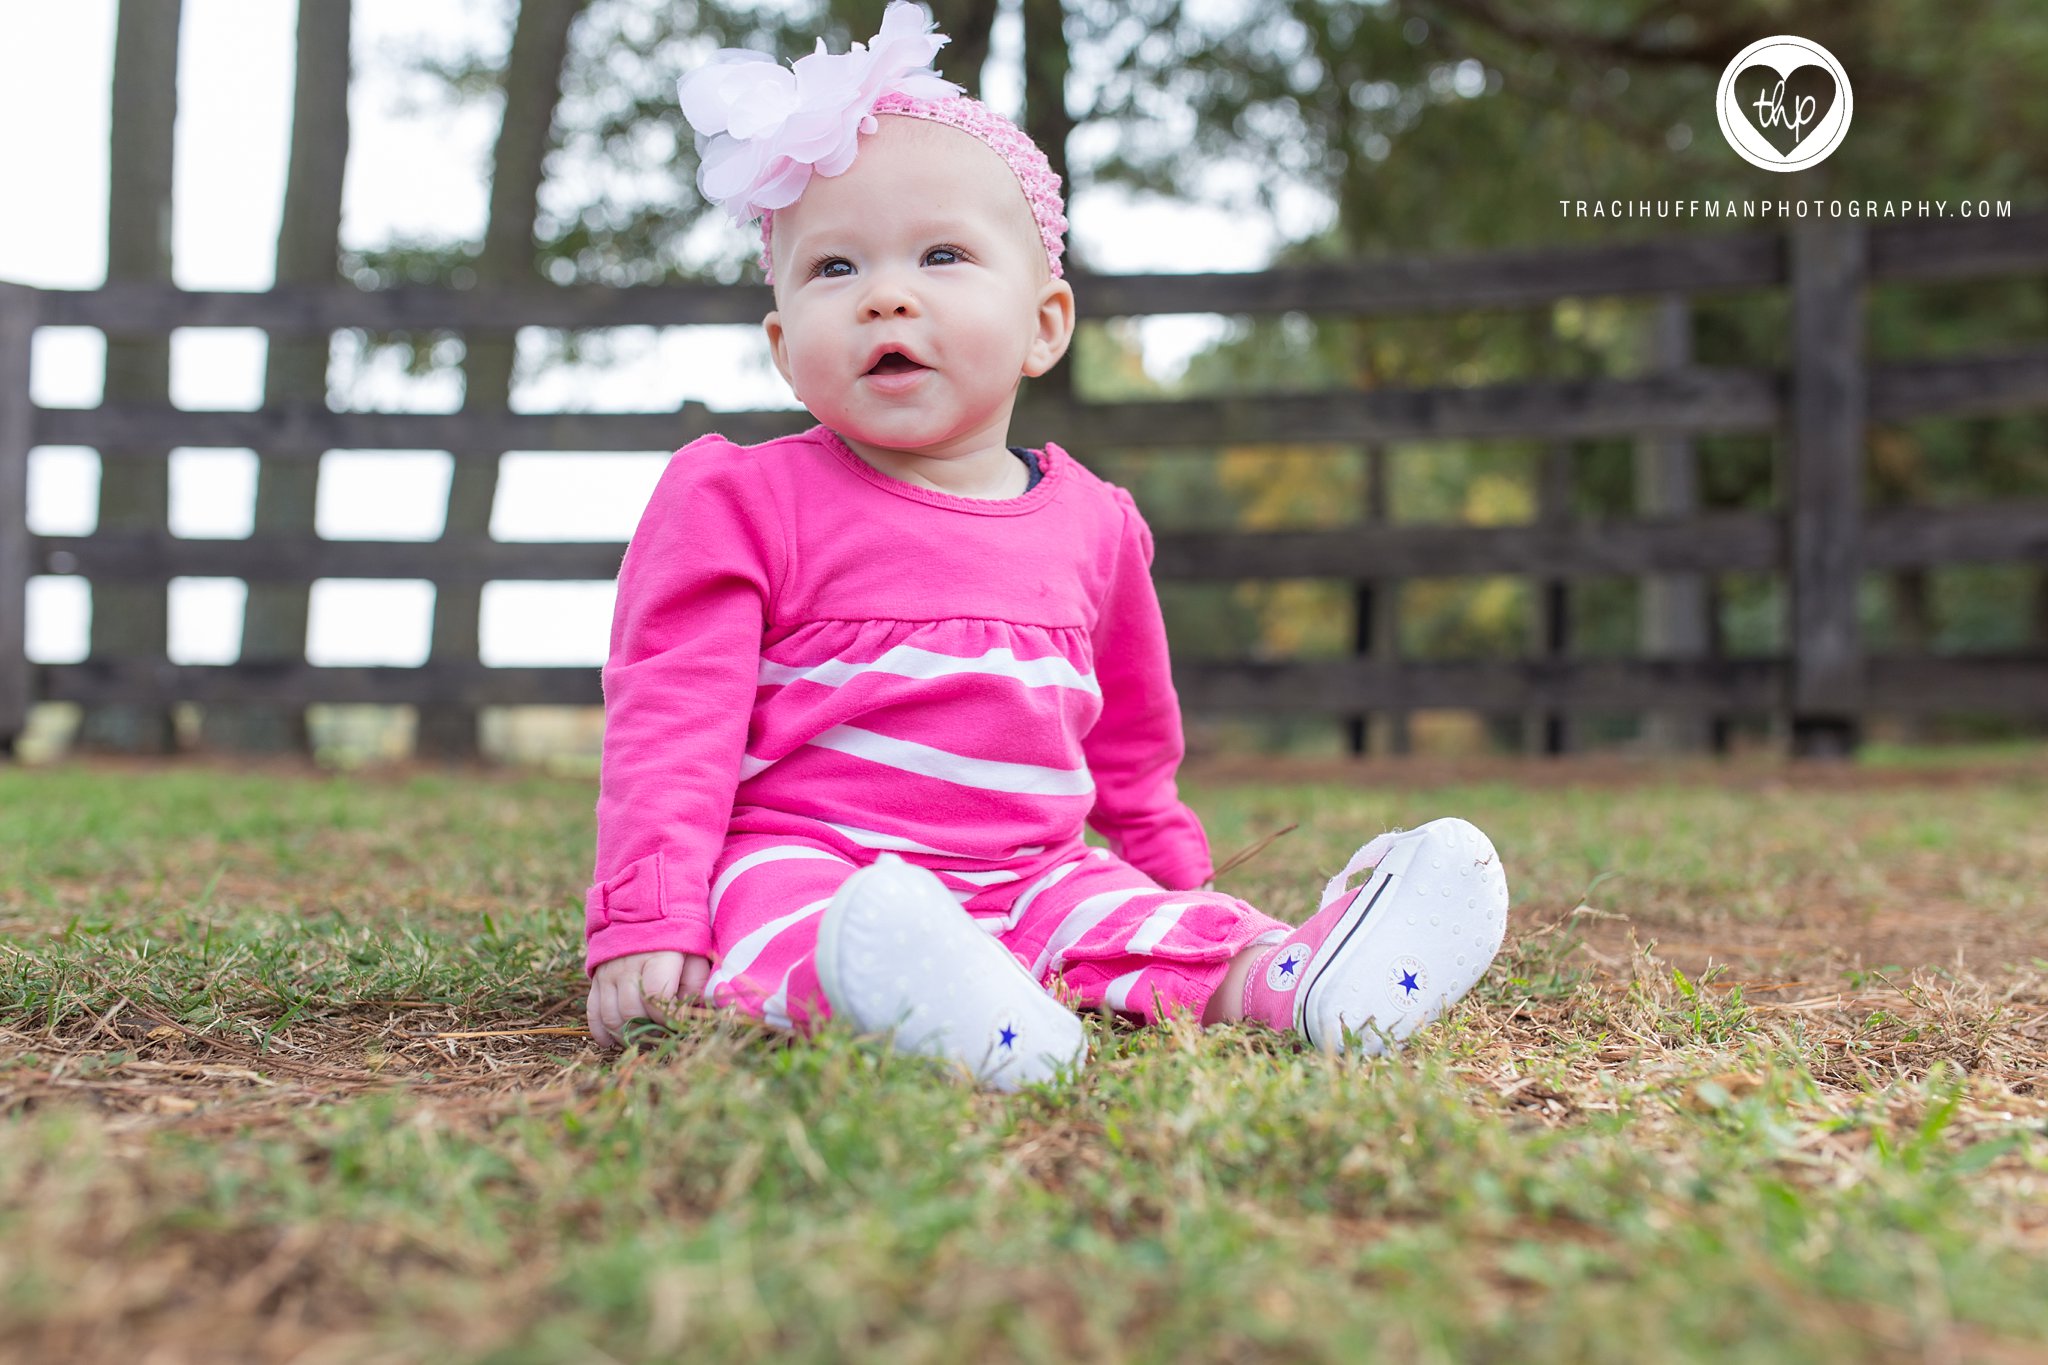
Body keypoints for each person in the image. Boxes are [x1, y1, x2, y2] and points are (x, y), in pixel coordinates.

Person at [582, 1, 1509, 1088]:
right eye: (833, 269)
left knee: (1117, 918)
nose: (886, 294)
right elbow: (670, 725)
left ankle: (1296, 977)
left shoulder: (1093, 524)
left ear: (1043, 325)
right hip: (813, 853)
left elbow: (1130, 747)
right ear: (786, 346)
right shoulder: (739, 498)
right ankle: (919, 996)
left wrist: (1177, 887)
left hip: (1031, 868)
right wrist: (647, 917)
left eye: (940, 255)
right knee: (781, 915)